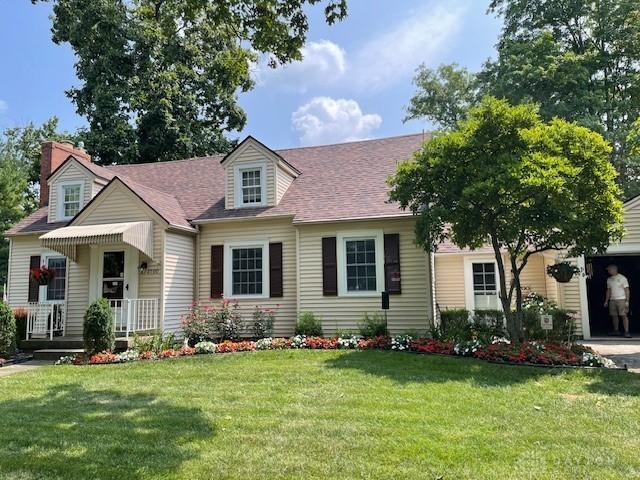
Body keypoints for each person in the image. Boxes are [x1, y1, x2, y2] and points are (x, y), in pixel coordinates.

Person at [604, 264, 631, 338]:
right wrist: (606, 301)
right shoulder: (609, 279)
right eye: (608, 270)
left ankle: (626, 331)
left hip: (621, 299)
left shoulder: (622, 278)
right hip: (612, 299)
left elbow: (627, 290)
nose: (608, 271)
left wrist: (627, 301)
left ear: (614, 269)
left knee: (624, 315)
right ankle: (616, 330)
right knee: (614, 316)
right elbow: (608, 291)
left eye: (609, 269)